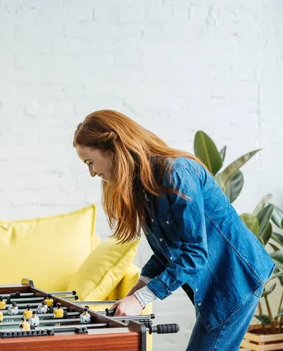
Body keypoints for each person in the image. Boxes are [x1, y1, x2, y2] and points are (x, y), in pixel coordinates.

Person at [73, 109, 273, 350]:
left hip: (237, 277)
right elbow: (168, 252)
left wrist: (141, 298)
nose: (92, 172)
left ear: (112, 147)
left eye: (90, 162)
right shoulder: (145, 184)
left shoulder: (175, 173)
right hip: (220, 282)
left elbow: (195, 253)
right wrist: (139, 288)